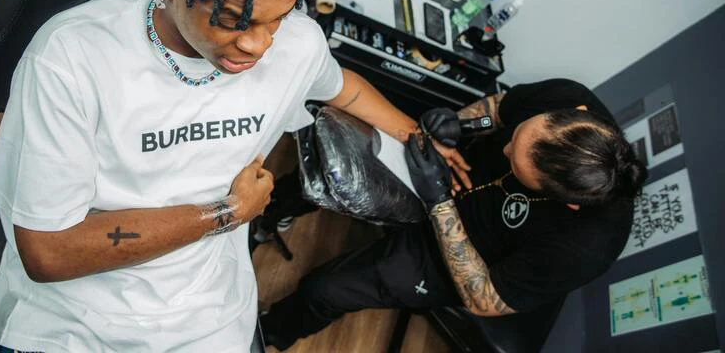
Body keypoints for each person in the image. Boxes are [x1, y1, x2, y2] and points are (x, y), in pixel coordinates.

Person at [0, 0, 418, 353]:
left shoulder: (298, 44)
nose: (258, 45)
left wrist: (419, 139)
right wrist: (229, 213)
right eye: (233, 20)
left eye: (278, 18)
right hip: (82, 318)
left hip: (208, 313)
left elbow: (343, 89)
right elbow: (49, 253)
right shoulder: (72, 58)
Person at [260, 78, 648, 350]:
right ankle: (266, 215)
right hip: (447, 172)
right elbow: (498, 109)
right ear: (572, 112)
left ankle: (267, 334)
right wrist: (461, 124)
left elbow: (484, 299)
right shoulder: (570, 97)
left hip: (459, 259)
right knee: (337, 171)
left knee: (323, 289)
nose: (506, 150)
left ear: (568, 202)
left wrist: (439, 203)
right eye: (516, 139)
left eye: (516, 163)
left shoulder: (585, 249)